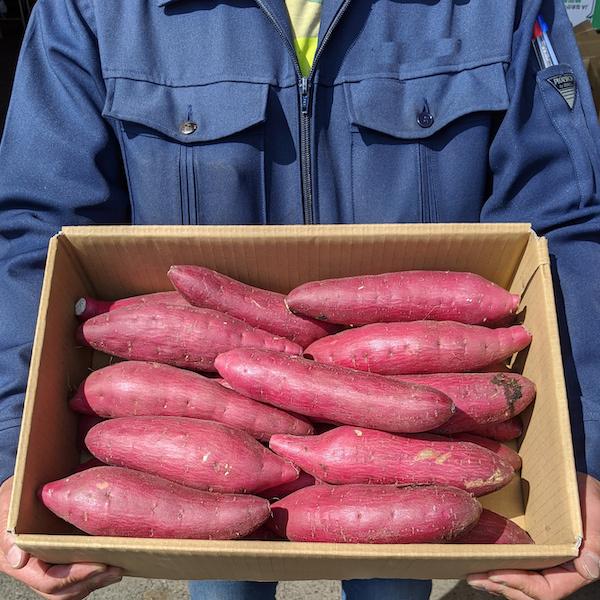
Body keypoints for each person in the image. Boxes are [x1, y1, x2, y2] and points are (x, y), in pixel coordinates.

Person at [0, 0, 599, 599]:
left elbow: (563, 223)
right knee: (226, 572)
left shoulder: (513, 8)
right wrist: (12, 448)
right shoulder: (90, 9)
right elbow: (39, 228)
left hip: (399, 441)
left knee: (393, 579)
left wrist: (586, 449)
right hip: (210, 455)